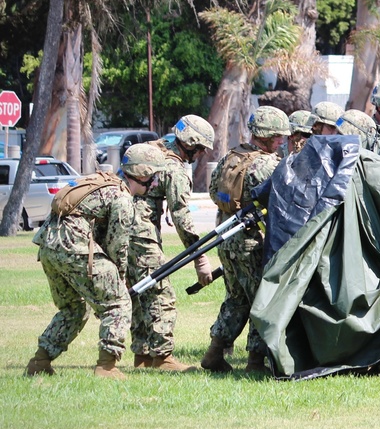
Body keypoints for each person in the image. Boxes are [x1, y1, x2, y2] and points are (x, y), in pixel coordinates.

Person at [25, 143, 168, 379]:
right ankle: (107, 366)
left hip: (49, 244)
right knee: (119, 302)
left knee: (74, 308)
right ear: (142, 174)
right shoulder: (122, 198)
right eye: (152, 177)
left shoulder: (105, 182)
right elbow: (117, 246)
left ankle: (39, 361)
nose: (154, 184)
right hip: (73, 245)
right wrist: (120, 279)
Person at [201, 105, 289, 374]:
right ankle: (255, 362)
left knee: (236, 298)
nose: (281, 141)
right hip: (253, 242)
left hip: (227, 240)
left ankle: (215, 353)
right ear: (265, 135)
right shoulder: (268, 165)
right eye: (278, 137)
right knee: (260, 300)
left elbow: (214, 191)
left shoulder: (233, 156)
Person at [131, 114, 217, 371]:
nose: (201, 154)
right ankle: (163, 358)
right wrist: (200, 259)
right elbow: (182, 217)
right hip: (140, 232)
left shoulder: (156, 149)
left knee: (141, 291)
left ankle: (143, 356)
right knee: (161, 293)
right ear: (190, 144)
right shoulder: (174, 168)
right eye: (201, 148)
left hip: (124, 229)